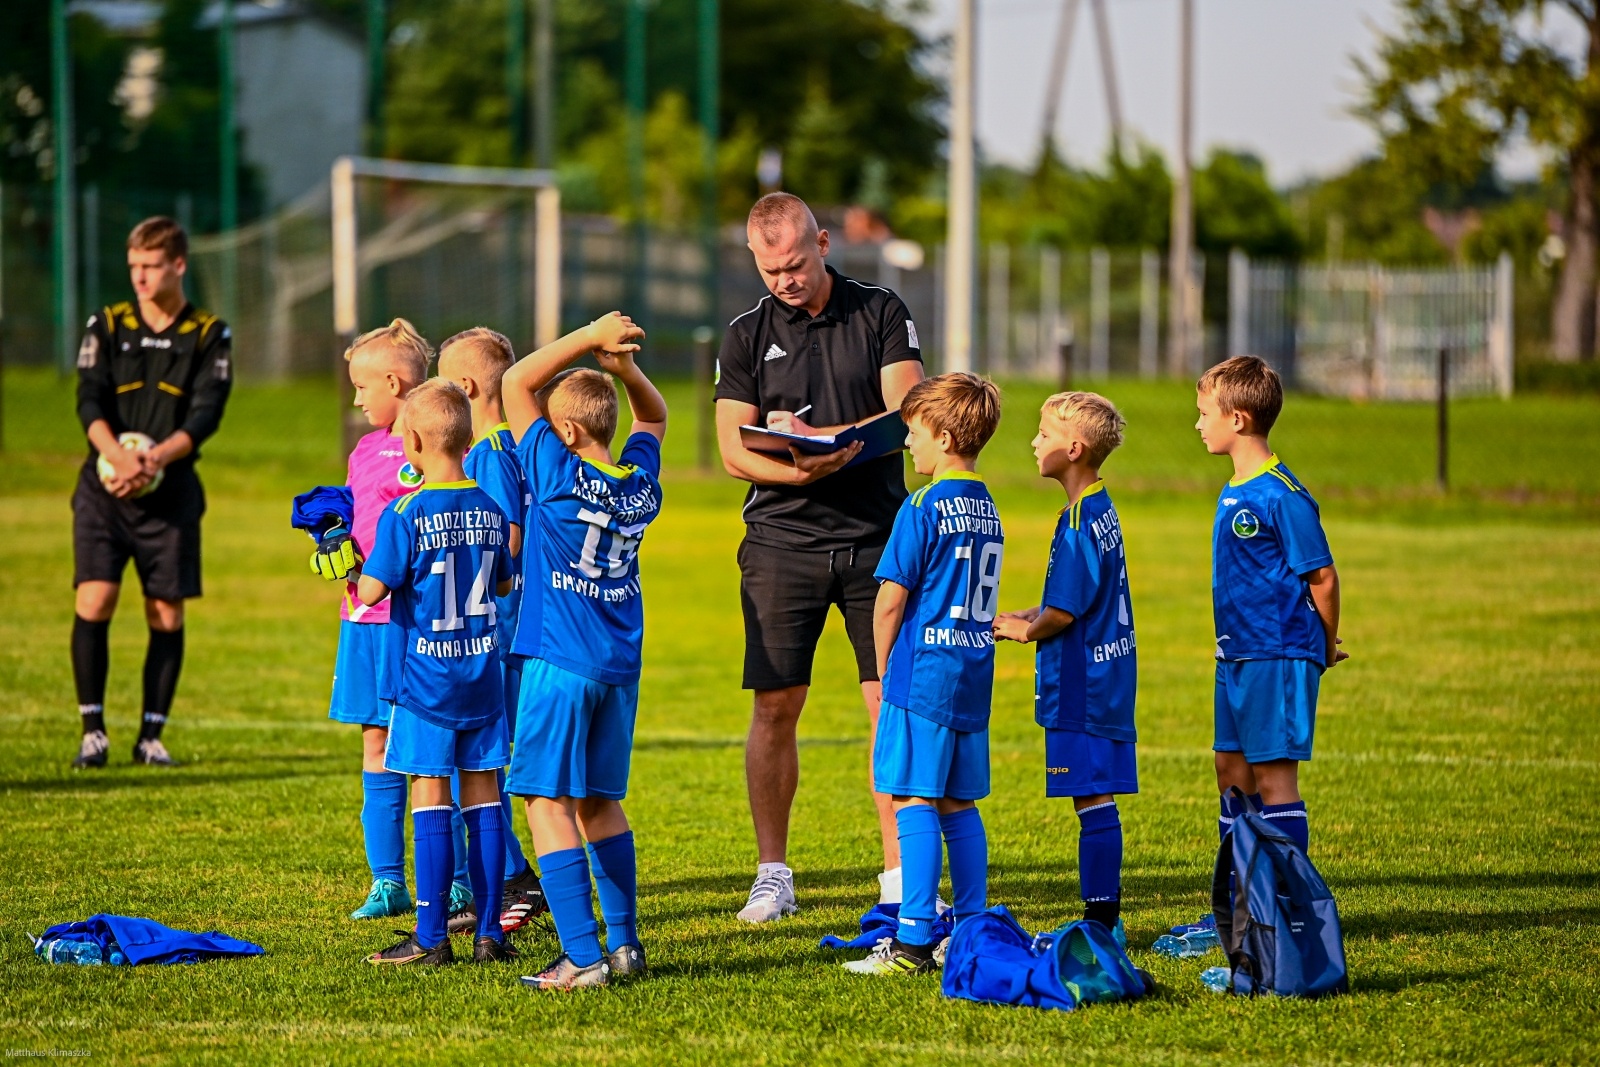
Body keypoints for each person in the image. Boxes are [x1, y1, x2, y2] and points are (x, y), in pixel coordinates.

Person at [714, 192, 926, 923]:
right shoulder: (744, 334)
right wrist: (798, 468)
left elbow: (911, 414)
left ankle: (900, 876)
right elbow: (731, 449)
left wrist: (828, 440)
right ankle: (773, 872)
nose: (785, 280)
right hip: (780, 542)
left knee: (885, 705)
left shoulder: (882, 311)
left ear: (824, 243)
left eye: (797, 264)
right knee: (776, 705)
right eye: (771, 269)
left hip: (878, 540)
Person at [501, 313, 666, 991]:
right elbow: (652, 419)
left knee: (544, 799)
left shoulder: (557, 470)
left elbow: (515, 380)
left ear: (564, 430)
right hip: (618, 668)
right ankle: (624, 945)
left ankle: (580, 955)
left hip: (559, 661)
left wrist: (588, 335)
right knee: (600, 800)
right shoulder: (639, 482)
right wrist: (624, 368)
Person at [1171, 356, 1346, 937]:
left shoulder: (1281, 494)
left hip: (1277, 654)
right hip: (1236, 655)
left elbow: (1321, 576)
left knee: (1274, 780)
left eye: (1204, 415)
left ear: (1239, 419)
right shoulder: (1235, 487)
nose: (1197, 425)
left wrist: (1321, 643)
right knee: (1230, 772)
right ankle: (1240, 901)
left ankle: (1289, 909)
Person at [844, 373, 1004, 976]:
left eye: (913, 434)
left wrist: (883, 672)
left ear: (942, 434)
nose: (908, 445)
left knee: (912, 797)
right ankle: (970, 926)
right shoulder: (988, 505)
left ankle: (911, 940)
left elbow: (889, 599)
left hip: (923, 670)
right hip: (970, 670)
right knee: (960, 804)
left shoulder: (923, 504)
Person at [356, 379, 517, 965]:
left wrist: (344, 559)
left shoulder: (405, 511)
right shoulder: (492, 509)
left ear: (416, 442)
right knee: (484, 796)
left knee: (429, 795)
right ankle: (490, 934)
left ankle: (430, 939)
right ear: (468, 439)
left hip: (425, 680)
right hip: (482, 676)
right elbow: (501, 583)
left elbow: (373, 589)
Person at [71, 216, 233, 769]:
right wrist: (116, 456)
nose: (139, 276)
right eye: (133, 266)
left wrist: (155, 459)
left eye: (150, 266)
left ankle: (150, 737)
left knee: (165, 611)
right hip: (104, 487)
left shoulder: (210, 333)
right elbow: (89, 399)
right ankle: (93, 732)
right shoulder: (107, 324)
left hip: (171, 491)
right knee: (95, 597)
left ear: (178, 265)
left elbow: (207, 412)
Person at [993, 392, 1136, 944]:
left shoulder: (1078, 521)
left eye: (1044, 434)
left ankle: (1102, 924)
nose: (1034, 442)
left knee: (1092, 797)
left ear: (1074, 449)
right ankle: (1104, 919)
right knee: (1094, 795)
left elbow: (1067, 610)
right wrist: (1033, 610)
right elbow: (1083, 593)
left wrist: (1027, 628)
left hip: (1084, 682)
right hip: (1107, 673)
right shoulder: (1098, 508)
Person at [312, 318, 430, 922]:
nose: (355, 399)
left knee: (434, 749)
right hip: (362, 615)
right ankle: (388, 881)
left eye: (362, 387)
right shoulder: (364, 448)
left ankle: (455, 879)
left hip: (417, 623)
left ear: (394, 381)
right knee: (375, 741)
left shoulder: (434, 446)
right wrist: (334, 533)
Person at [435, 328, 547, 933]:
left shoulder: (489, 454)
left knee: (480, 758)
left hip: (494, 634)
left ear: (467, 387)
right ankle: (493, 879)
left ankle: (512, 879)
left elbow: (506, 539)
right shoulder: (514, 446)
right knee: (481, 757)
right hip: (502, 630)